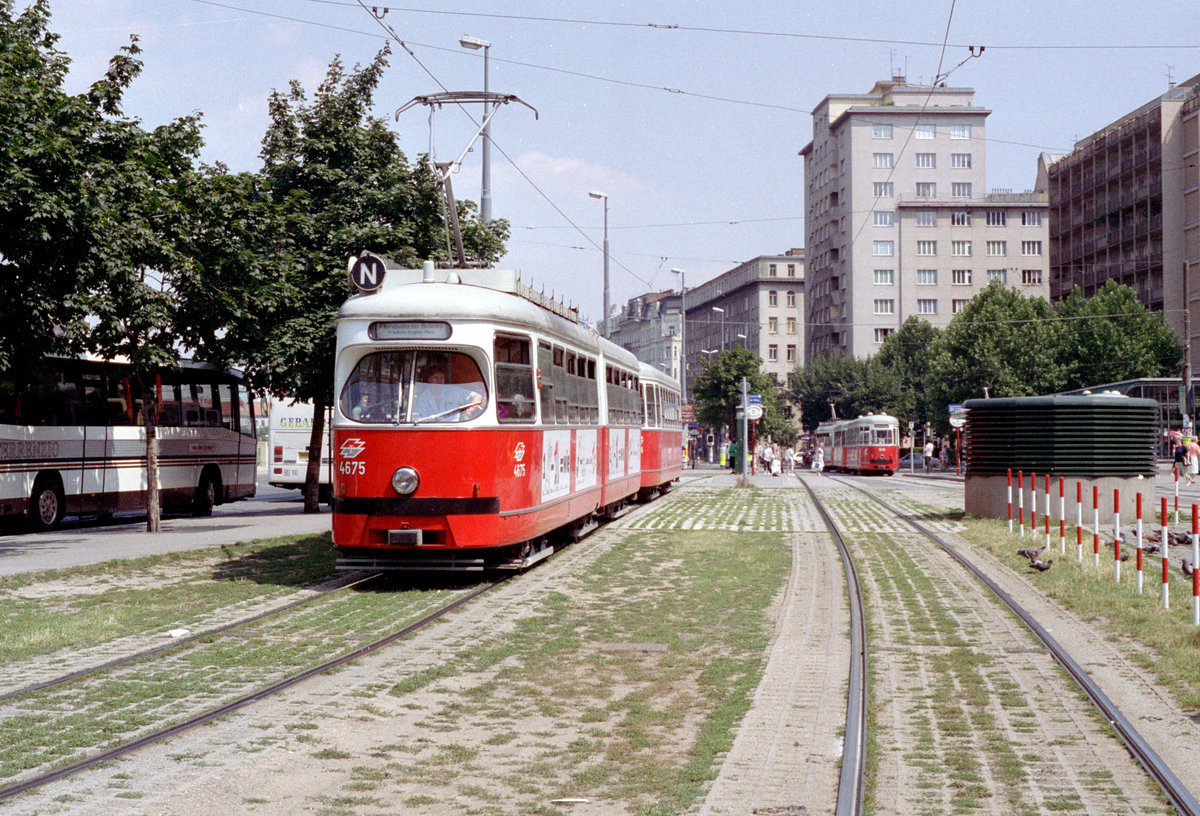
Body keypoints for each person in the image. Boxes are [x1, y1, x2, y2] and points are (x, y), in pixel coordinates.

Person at [412, 365, 484, 422]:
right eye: (435, 378)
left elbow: (477, 396)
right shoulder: (423, 397)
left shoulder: (453, 391)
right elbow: (418, 418)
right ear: (429, 379)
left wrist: (471, 408)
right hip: (432, 430)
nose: (439, 381)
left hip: (453, 429)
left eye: (441, 378)